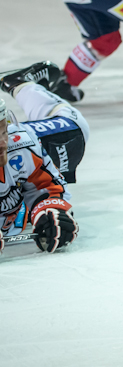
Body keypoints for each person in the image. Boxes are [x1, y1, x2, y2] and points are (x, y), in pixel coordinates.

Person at [0, 63, 87, 255]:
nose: (1, 144)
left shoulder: (18, 144)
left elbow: (45, 187)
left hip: (35, 142)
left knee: (74, 129)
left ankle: (20, 84)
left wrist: (49, 209)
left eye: (2, 130)